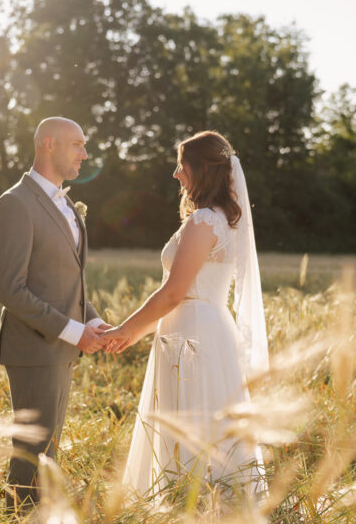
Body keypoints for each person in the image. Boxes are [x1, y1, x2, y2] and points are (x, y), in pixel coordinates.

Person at [103, 131, 268, 497]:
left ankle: (189, 502)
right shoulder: (225, 220)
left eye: (181, 166)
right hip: (205, 329)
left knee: (191, 418)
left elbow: (175, 293)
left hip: (191, 334)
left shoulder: (203, 221)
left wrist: (125, 329)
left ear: (200, 170)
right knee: (206, 418)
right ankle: (215, 502)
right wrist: (134, 334)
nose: (176, 175)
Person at [0, 116, 108, 509]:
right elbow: (11, 289)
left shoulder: (67, 204)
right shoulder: (15, 203)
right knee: (33, 449)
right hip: (34, 348)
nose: (84, 153)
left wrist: (91, 320)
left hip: (61, 346)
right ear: (48, 145)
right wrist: (74, 332)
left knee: (48, 447)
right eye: (76, 144)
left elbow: (64, 277)